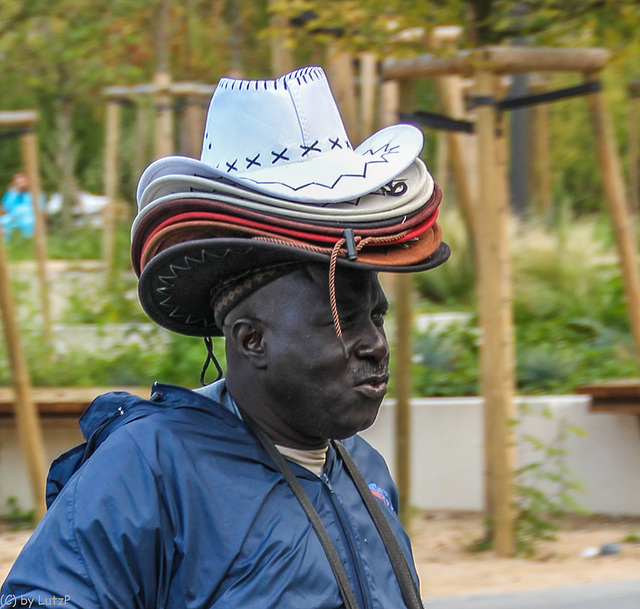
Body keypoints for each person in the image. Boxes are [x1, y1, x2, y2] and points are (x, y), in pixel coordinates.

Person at [1, 66, 449, 609]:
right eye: (342, 319)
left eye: (376, 318)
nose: (375, 345)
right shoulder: (150, 468)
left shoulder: (366, 471)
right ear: (251, 339)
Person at [0, 172, 36, 239]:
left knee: (27, 222)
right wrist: (13, 192)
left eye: (22, 182)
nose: (21, 184)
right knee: (3, 222)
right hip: (13, 218)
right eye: (18, 182)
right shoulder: (12, 194)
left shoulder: (33, 193)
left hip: (29, 217)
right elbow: (5, 207)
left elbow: (38, 208)